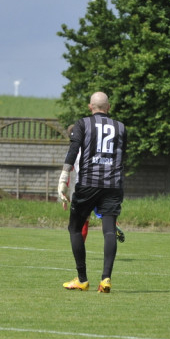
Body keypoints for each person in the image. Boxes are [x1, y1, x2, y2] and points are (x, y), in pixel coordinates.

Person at [57, 92, 127, 293]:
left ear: (90, 107)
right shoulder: (121, 127)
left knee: (75, 228)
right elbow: (122, 157)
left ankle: (82, 278)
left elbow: (74, 149)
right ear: (109, 107)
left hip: (88, 182)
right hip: (113, 184)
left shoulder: (82, 124)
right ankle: (105, 279)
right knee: (109, 230)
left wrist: (63, 178)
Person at [64, 125, 125, 245]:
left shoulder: (73, 151)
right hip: (101, 184)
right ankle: (112, 224)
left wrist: (64, 192)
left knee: (82, 221)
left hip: (82, 186)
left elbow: (67, 170)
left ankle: (80, 247)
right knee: (104, 213)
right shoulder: (93, 147)